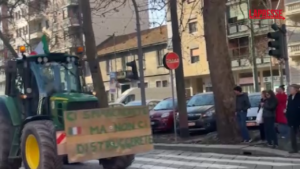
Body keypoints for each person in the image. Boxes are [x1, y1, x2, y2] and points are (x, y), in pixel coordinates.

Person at [286, 84, 300, 153]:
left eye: (291, 89)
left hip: (298, 118)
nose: (290, 90)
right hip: (291, 119)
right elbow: (288, 107)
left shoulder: (299, 97)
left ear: (296, 90)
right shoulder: (290, 97)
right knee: (293, 135)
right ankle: (294, 149)